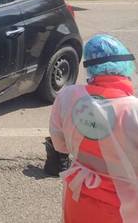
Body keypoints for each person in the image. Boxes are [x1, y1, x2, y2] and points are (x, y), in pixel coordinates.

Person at [48, 34, 138, 222]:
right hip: (123, 206)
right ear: (125, 67)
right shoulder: (132, 109)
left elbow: (59, 145)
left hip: (78, 195)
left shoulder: (67, 96)